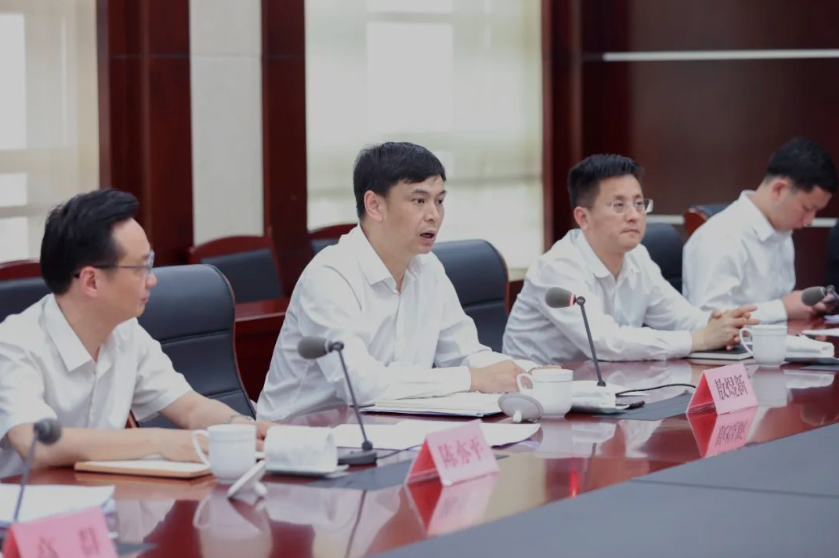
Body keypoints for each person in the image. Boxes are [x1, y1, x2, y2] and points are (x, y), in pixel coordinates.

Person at [0, 189, 273, 479]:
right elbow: (38, 444)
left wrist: (244, 428)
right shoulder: (13, 344)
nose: (152, 279)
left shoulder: (125, 331)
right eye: (141, 267)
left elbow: (190, 408)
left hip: (99, 499)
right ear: (91, 281)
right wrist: (159, 442)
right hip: (24, 503)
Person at [257, 142, 534, 420]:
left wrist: (532, 373)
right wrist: (471, 379)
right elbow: (360, 385)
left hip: (392, 428)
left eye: (439, 201)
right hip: (299, 436)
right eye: (419, 201)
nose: (434, 215)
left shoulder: (428, 269)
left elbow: (465, 354)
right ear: (375, 205)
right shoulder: (330, 277)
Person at [503, 154, 756, 364]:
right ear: (583, 218)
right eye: (619, 205)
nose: (634, 215)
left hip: (610, 387)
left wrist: (722, 324)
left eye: (639, 203)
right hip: (536, 396)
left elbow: (679, 317)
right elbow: (605, 342)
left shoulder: (637, 256)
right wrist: (698, 339)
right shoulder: (557, 268)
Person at [683, 137, 839, 322]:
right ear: (779, 190)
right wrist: (783, 308)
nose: (809, 221)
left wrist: (801, 305)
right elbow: (708, 320)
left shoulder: (782, 233)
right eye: (807, 208)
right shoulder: (720, 236)